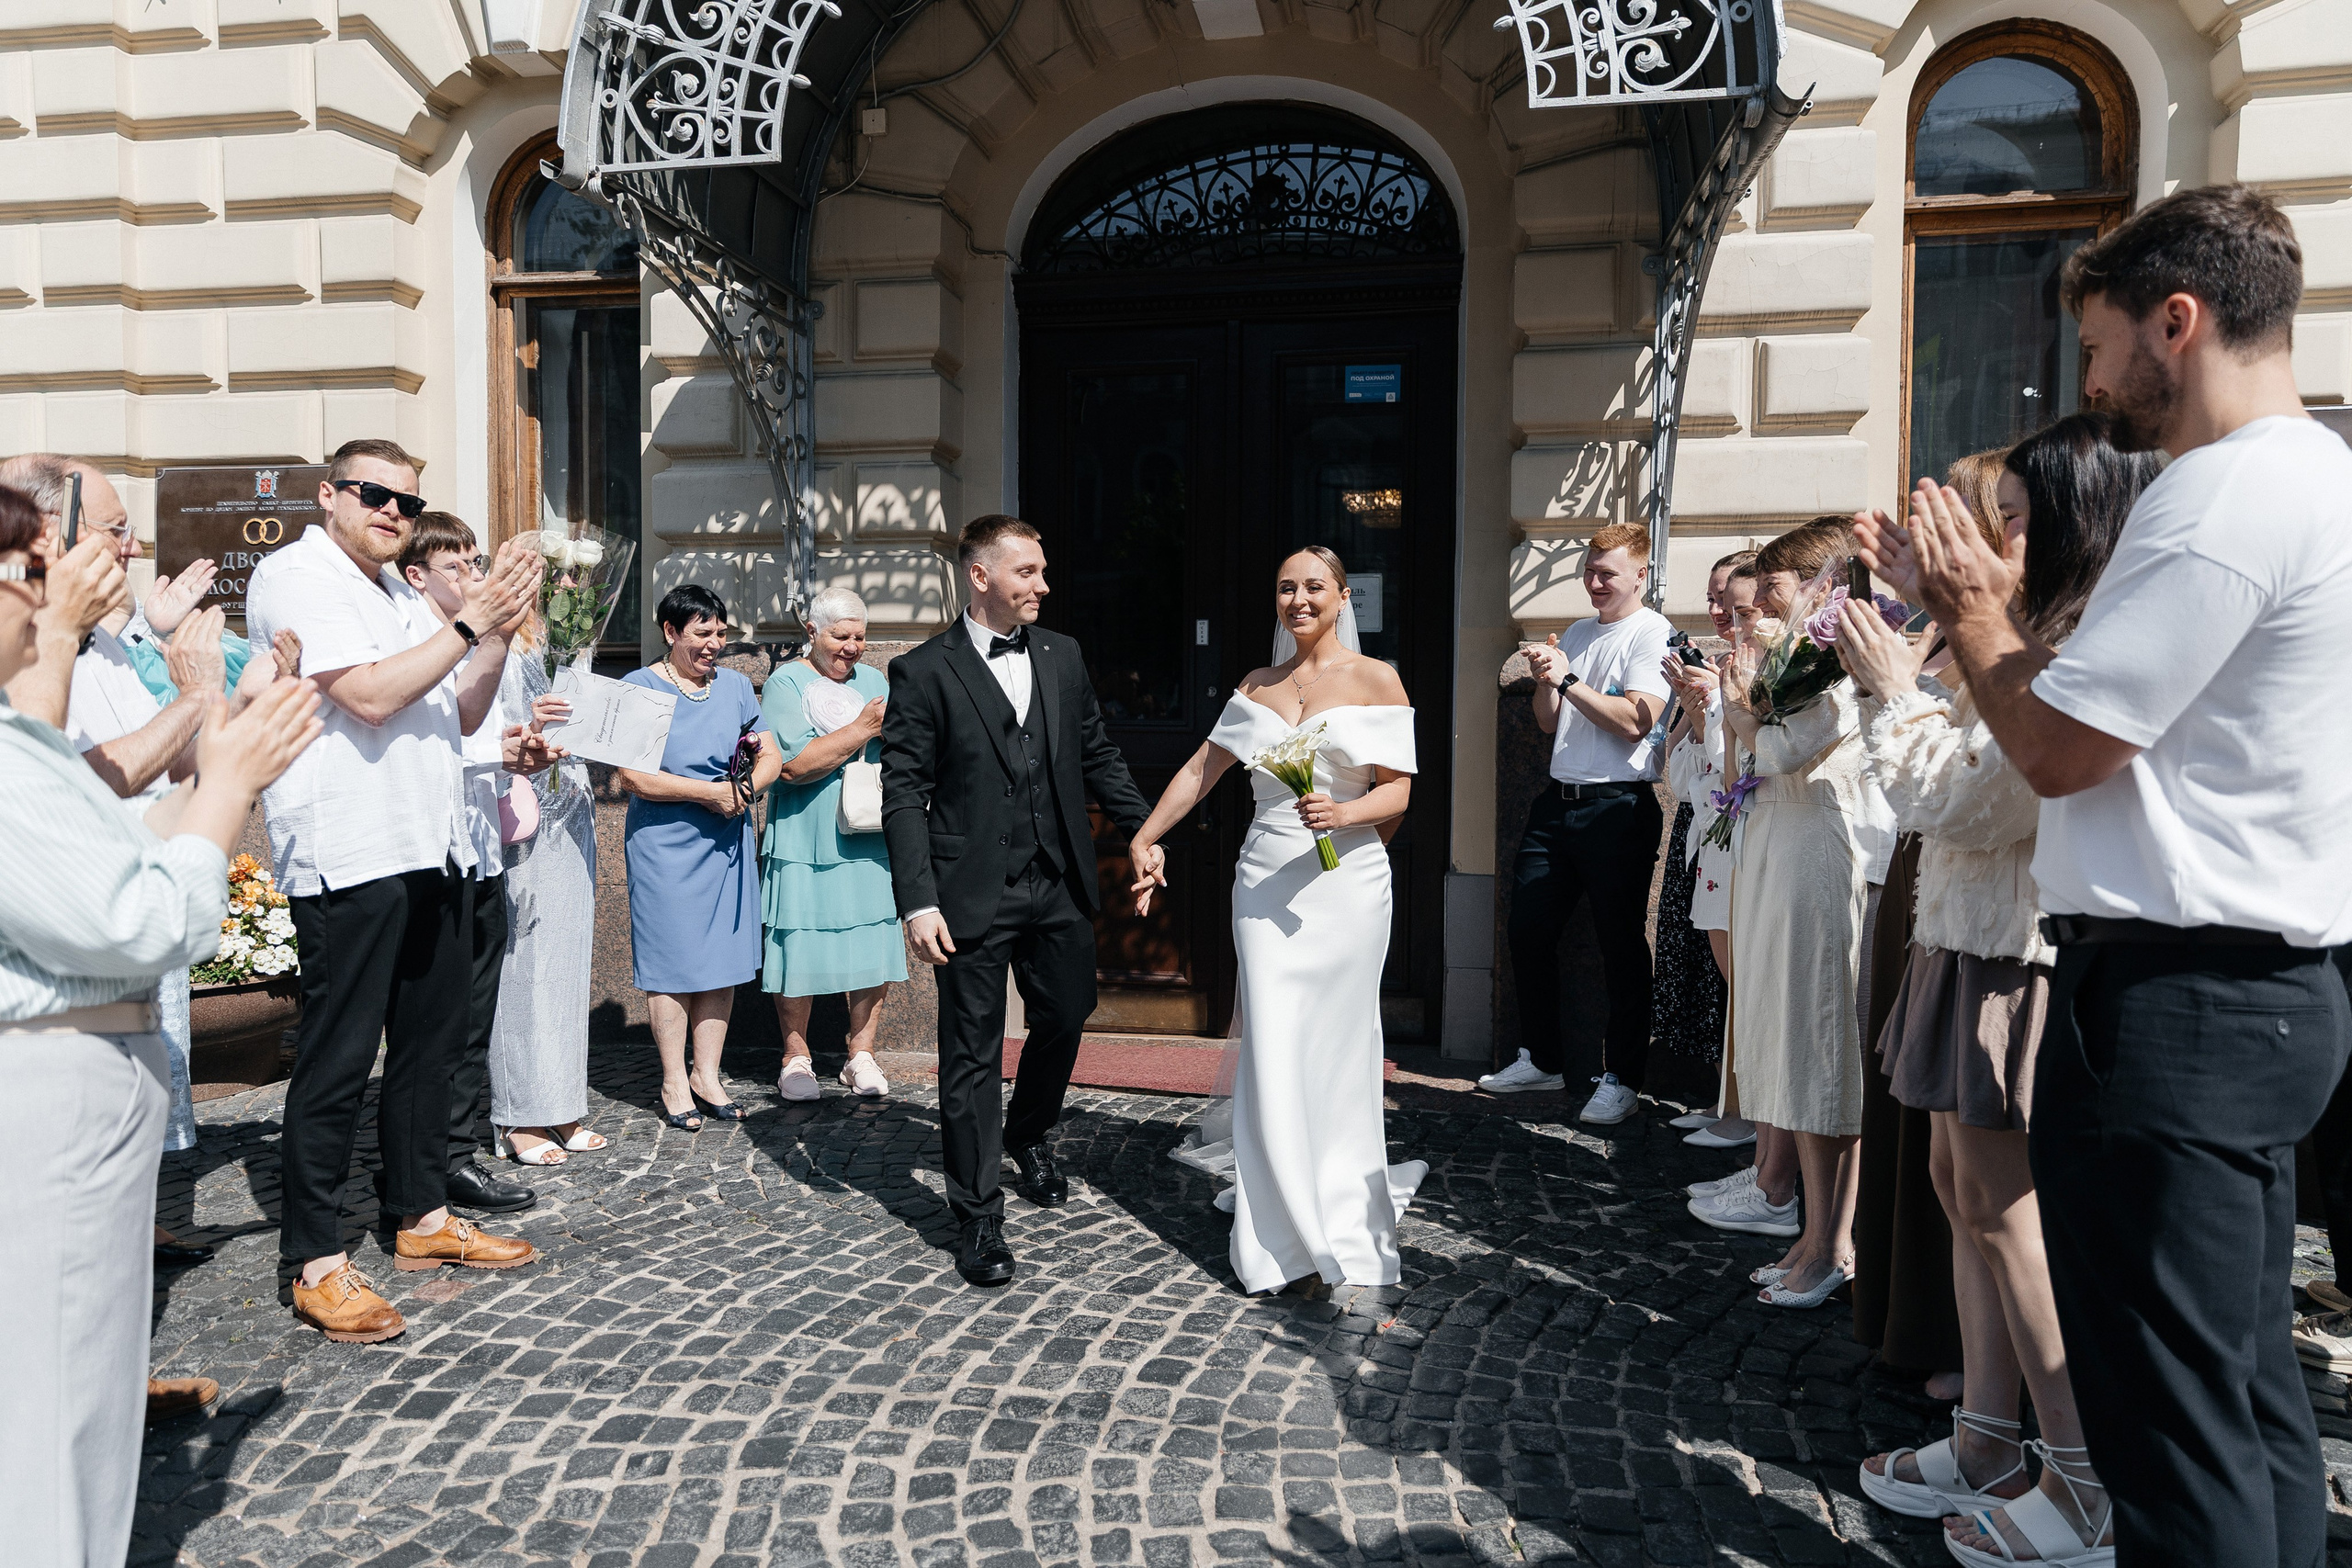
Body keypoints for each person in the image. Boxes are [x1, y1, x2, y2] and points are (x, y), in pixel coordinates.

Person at [1858, 183, 2352, 1568]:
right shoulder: (2321, 475)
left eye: (2097, 346)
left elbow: (2058, 750)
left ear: (2175, 321)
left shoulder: (2219, 493)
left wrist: (1968, 614)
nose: (2088, 383)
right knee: (2244, 1401)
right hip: (2260, 989)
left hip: (2176, 1007)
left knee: (2172, 1433)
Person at [0, 481, 324, 1568]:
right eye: (25, 573)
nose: (41, 593)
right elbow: (136, 921)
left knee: (84, 1399)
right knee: (51, 1416)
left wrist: (225, 737)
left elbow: (113, 835)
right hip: (48, 1090)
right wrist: (227, 782)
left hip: (85, 1083)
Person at [1849, 413, 2155, 1562]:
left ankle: (2079, 1479)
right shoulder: (2009, 637)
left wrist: (1892, 688)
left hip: (2011, 951)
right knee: (1953, 1185)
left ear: (2072, 532)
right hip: (1958, 934)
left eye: (2010, 525)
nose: (1988, 547)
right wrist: (1925, 629)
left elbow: (1957, 802)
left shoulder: (2069, 649)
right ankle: (1986, 1435)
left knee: (2006, 1211)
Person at [245, 438, 545, 1344]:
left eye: (407, 503)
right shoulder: (295, 576)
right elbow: (369, 698)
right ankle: (316, 1260)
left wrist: (493, 630)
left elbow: (455, 709)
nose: (392, 512)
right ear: (330, 493)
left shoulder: (391, 591)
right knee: (338, 1060)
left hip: (433, 842)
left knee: (430, 1045)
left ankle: (418, 1218)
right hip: (350, 850)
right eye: (375, 495)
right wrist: (464, 624)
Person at [1126, 547, 1422, 1292]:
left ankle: (1335, 1200)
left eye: (1313, 587)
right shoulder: (1256, 686)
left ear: (1343, 595)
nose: (1298, 599)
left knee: (1337, 1042)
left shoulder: (1376, 679)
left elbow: (1399, 795)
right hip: (1264, 887)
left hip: (1346, 883)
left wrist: (1344, 811)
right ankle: (1275, 1224)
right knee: (1273, 1037)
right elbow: (1202, 768)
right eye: (1286, 587)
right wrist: (1145, 834)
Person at [880, 514, 1154, 1287]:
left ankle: (1028, 1129)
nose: (1043, 584)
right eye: (1027, 572)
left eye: (1041, 571)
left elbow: (1095, 750)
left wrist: (1141, 828)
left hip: (1058, 878)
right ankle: (977, 1218)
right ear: (981, 577)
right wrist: (917, 899)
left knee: (1067, 1013)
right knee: (969, 1054)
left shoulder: (1062, 656)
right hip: (967, 891)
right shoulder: (923, 670)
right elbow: (903, 791)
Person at [1714, 517, 1871, 1309]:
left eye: (1774, 583)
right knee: (1784, 1036)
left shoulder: (1840, 659)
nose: (1760, 599)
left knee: (1817, 1038)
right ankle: (1810, 1232)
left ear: (1821, 585)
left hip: (1815, 845)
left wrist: (1743, 708)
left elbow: (1782, 749)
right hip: (1773, 843)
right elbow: (1746, 759)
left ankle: (1834, 1241)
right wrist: (1742, 709)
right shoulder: (1789, 656)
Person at [397, 513, 570, 1186]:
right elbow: (426, 735)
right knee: (434, 1026)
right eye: (457, 565)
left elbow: (479, 730)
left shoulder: (472, 643)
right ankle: (428, 1164)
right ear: (418, 577)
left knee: (471, 1017)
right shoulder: (413, 637)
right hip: (428, 852)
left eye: (476, 560)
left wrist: (519, 752)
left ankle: (458, 1152)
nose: (473, 573)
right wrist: (496, 749)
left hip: (481, 845)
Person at [1485, 520, 1673, 1122]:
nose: (1593, 582)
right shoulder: (1578, 632)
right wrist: (1548, 682)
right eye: (1589, 571)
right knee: (1528, 925)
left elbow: (1635, 720)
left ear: (1639, 575)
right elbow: (1546, 722)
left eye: (1606, 573)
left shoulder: (1653, 633)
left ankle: (1621, 1076)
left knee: (1620, 942)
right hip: (1556, 801)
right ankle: (1540, 1057)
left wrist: (1567, 675)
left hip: (1618, 805)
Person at [615, 583, 782, 1131]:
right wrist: (710, 793)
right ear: (670, 633)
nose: (713, 644)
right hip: (666, 843)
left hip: (727, 841)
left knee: (721, 960)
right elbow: (633, 777)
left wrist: (746, 789)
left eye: (720, 633)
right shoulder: (640, 687)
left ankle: (707, 1074)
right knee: (672, 963)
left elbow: (769, 751)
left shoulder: (734, 687)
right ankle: (671, 1078)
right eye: (701, 633)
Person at [761, 586, 901, 1102]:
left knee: (872, 936)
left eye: (860, 637)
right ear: (812, 632)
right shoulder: (785, 682)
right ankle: (795, 1057)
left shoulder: (874, 680)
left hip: (867, 831)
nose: (852, 647)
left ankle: (860, 1053)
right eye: (840, 636)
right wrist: (864, 728)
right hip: (805, 833)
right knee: (799, 941)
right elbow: (793, 766)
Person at [487, 603, 605, 1166]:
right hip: (522, 808)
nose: (538, 598)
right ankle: (518, 1113)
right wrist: (531, 726)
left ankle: (561, 1101)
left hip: (572, 804)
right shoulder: (486, 644)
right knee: (524, 962)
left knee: (565, 962)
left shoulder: (563, 641)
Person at [1657, 551, 1747, 1141]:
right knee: (1715, 973)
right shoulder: (1718, 668)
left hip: (1743, 839)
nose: (1717, 613)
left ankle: (1744, 1112)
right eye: (1713, 600)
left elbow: (1738, 765)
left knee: (1740, 980)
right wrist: (1693, 710)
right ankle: (1724, 1098)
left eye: (1730, 603)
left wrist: (1715, 706)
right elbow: (1684, 779)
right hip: (1706, 835)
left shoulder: (1757, 671)